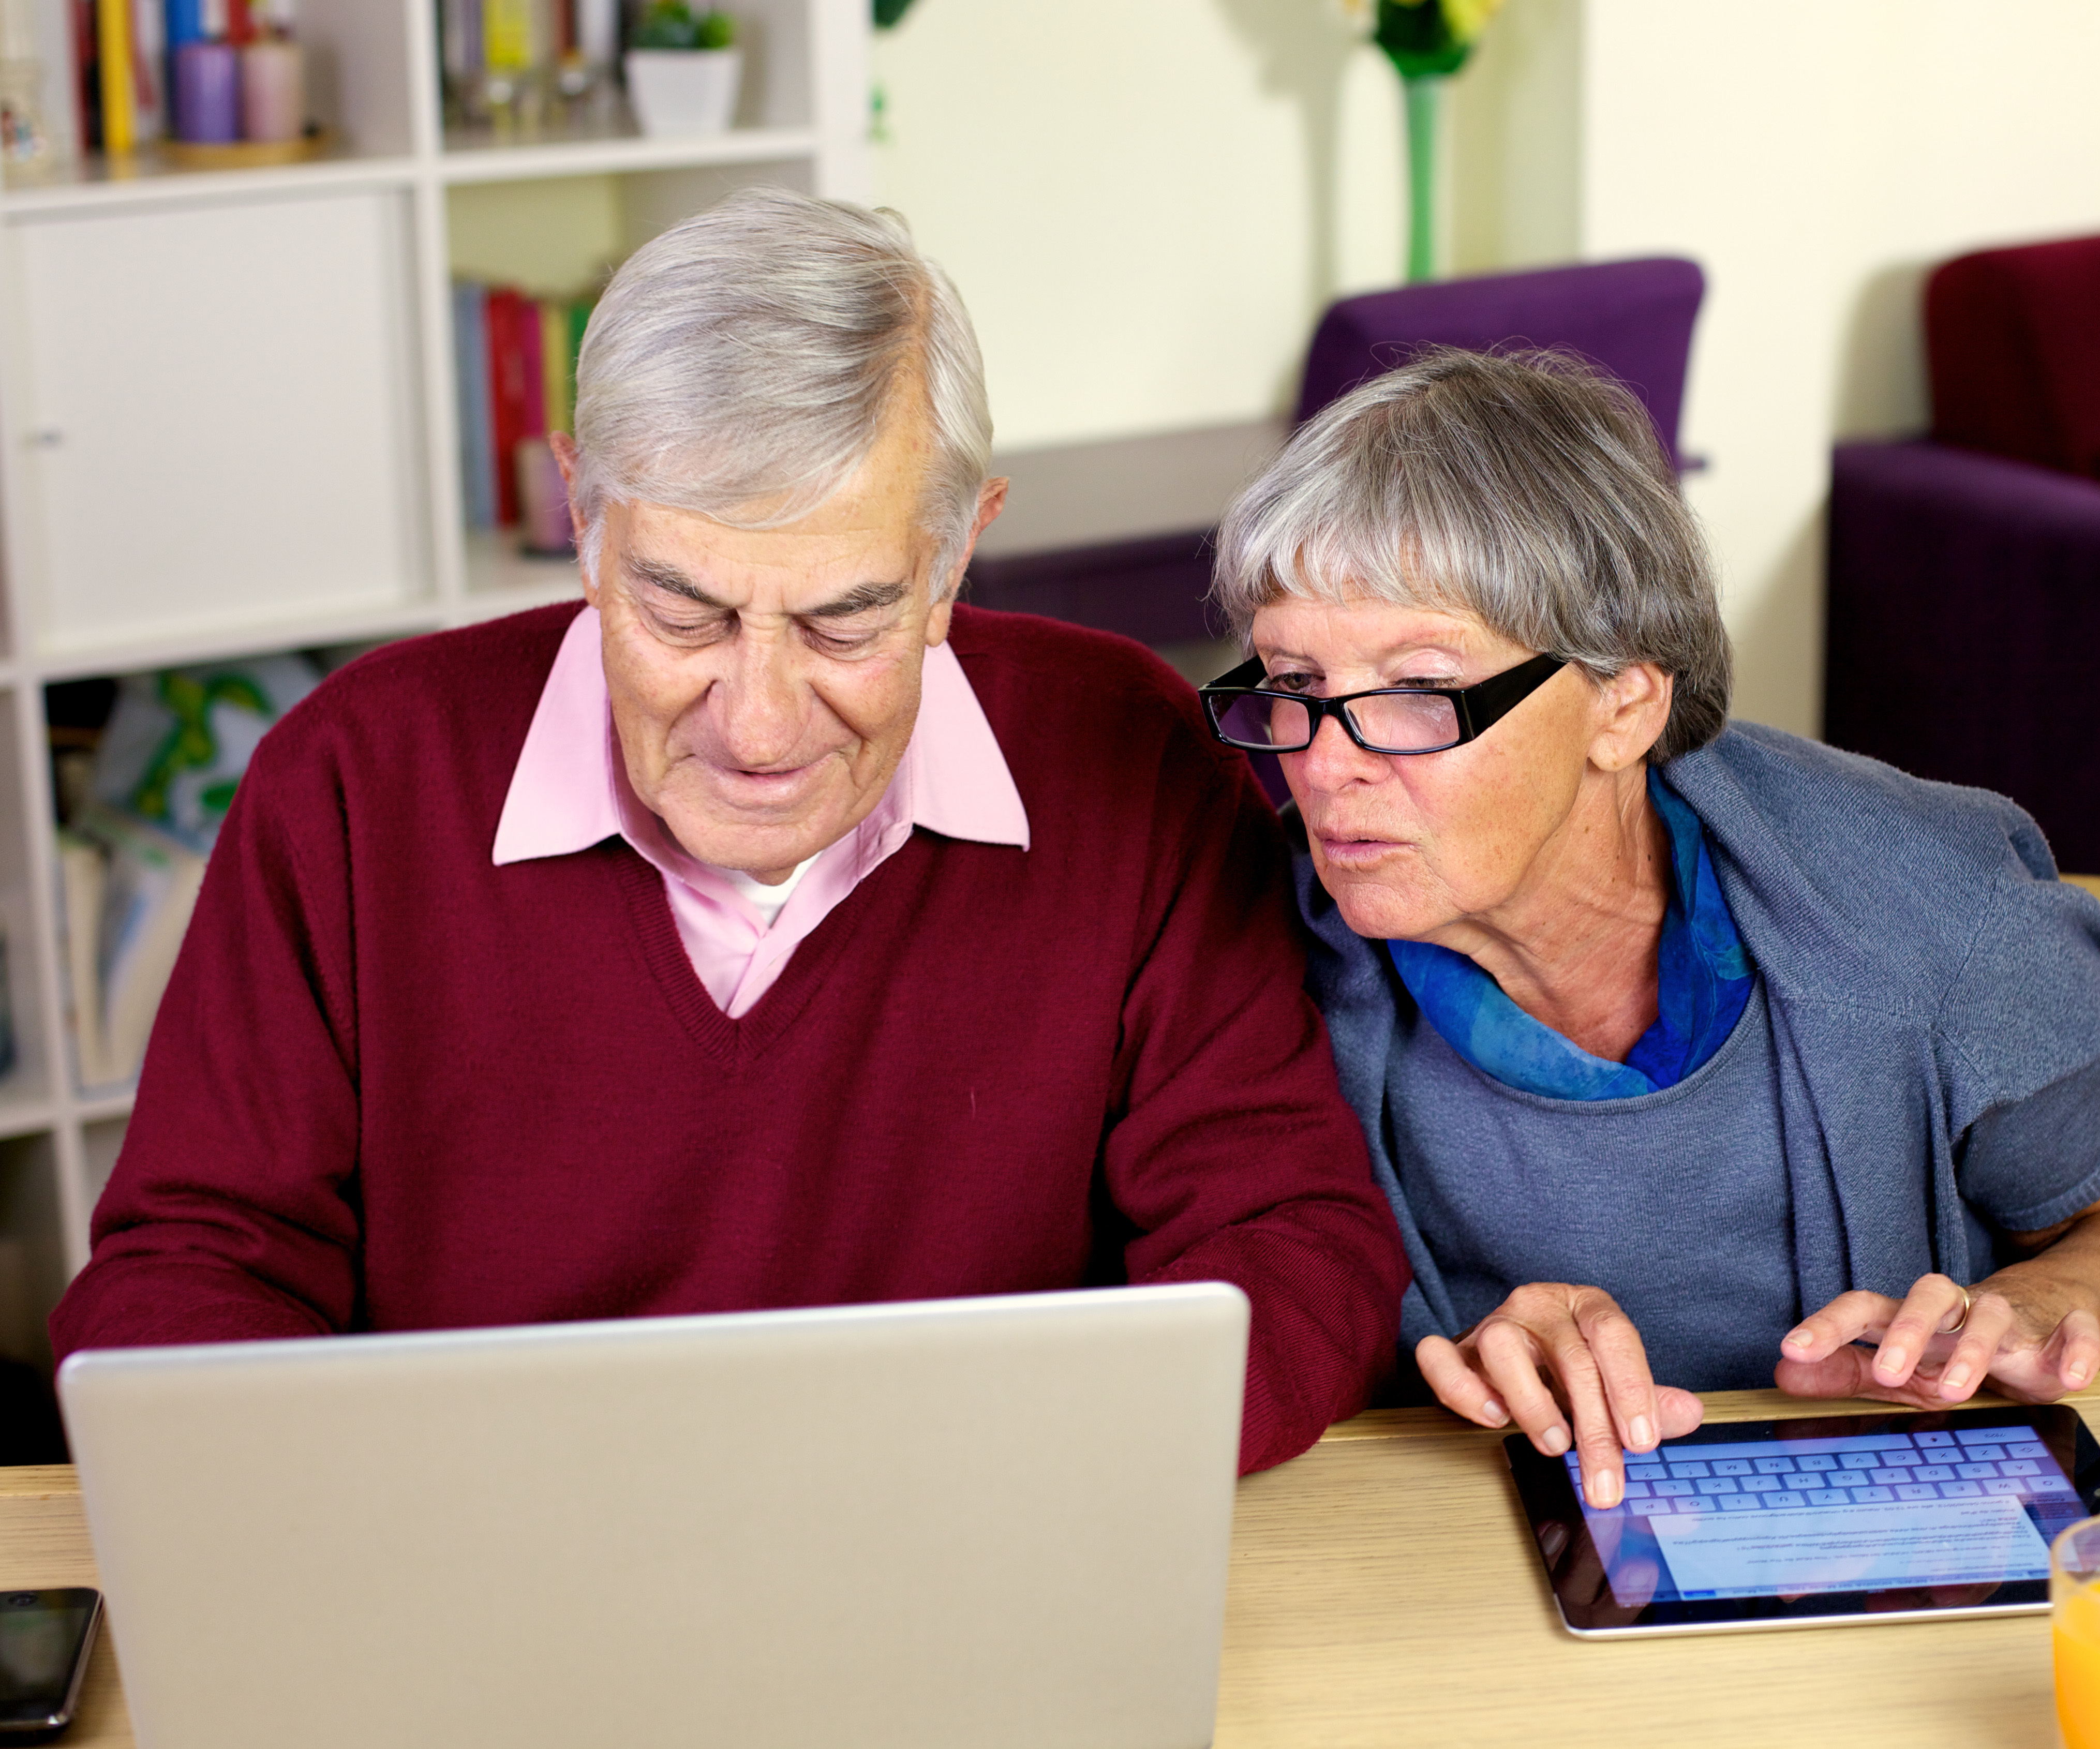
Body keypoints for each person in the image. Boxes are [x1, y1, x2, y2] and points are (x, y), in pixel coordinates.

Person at [50, 188, 1409, 1475]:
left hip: (979, 1542)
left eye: (845, 619)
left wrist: (1009, 1477)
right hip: (479, 1579)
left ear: (953, 557)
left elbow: (1285, 1238)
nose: (756, 727)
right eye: (682, 612)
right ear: (584, 521)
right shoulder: (353, 780)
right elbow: (190, 1271)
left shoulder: (1132, 753)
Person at [1199, 347, 2100, 1506]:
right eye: (1295, 685)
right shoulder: (1234, 955)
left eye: (1416, 692)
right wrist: (1419, 1366)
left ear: (1623, 704)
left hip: (1885, 1551)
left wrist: (2047, 1304)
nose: (1325, 765)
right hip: (1460, 1571)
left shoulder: (1924, 906)